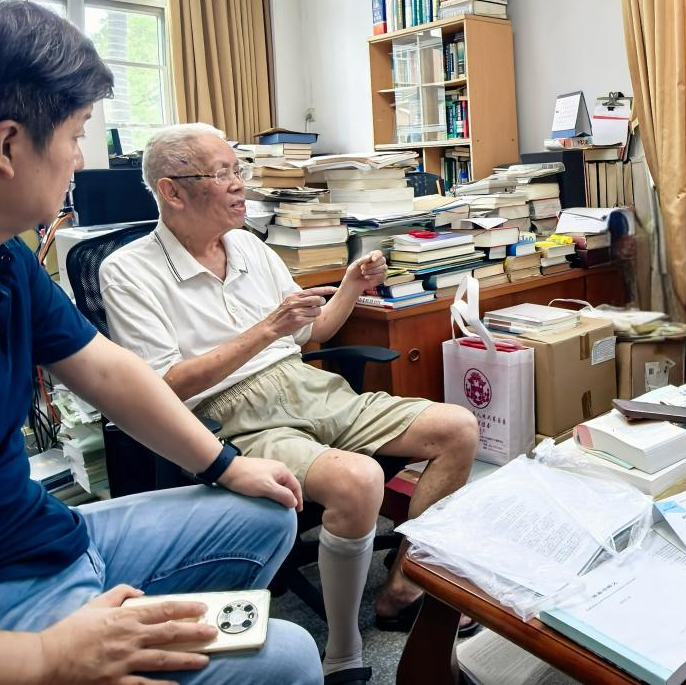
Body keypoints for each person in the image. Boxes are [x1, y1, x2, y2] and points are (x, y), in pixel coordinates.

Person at [0, 0, 321, 684]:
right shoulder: (127, 266)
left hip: (44, 533)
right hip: (13, 602)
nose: (79, 161)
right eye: (75, 136)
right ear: (8, 146)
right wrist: (47, 657)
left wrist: (225, 465)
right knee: (290, 653)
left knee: (267, 509)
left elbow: (107, 371)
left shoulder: (9, 258)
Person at [100, 123, 480, 682]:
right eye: (223, 173)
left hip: (306, 387)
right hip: (227, 415)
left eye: (239, 169)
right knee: (358, 480)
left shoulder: (252, 246)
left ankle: (402, 587)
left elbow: (310, 332)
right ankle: (344, 650)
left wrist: (350, 285)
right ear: (171, 191)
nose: (240, 184)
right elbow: (165, 387)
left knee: (458, 427)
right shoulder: (128, 271)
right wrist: (265, 330)